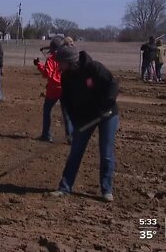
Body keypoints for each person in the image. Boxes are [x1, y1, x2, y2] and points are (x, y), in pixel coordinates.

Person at [50, 44, 119, 202]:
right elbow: (67, 102)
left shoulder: (94, 68)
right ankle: (64, 187)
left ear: (70, 61)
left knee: (106, 152)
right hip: (85, 117)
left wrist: (107, 105)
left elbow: (113, 84)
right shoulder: (66, 76)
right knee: (76, 151)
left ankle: (106, 190)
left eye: (60, 62)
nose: (58, 65)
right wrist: (75, 123)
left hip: (107, 114)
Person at [33, 36, 73, 143]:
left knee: (48, 110)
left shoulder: (51, 59)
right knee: (66, 113)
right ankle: (71, 137)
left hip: (53, 89)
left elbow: (47, 74)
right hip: (65, 88)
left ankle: (47, 135)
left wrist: (39, 65)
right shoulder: (67, 58)